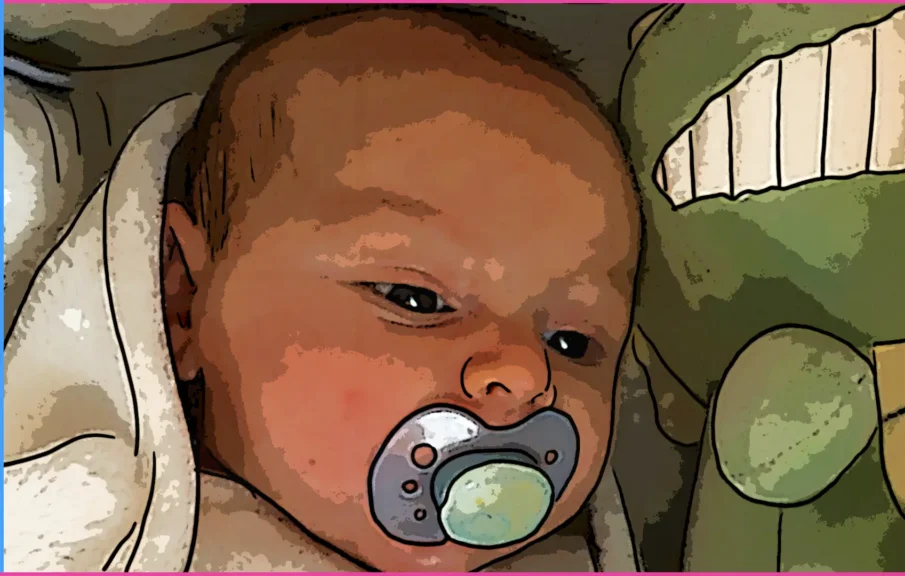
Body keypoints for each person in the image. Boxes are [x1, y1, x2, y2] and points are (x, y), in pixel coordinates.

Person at [5, 7, 644, 572]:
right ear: (184, 301)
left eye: (572, 341)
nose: (526, 373)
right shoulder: (106, 526)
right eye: (415, 299)